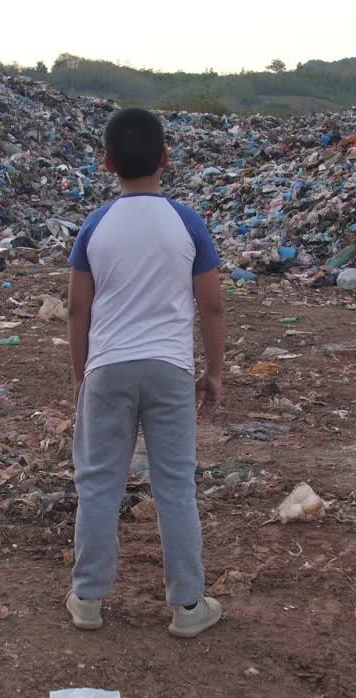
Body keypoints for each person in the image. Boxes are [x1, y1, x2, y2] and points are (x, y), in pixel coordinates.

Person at [65, 108, 226, 639]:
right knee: (176, 486)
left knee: (98, 484)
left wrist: (80, 375)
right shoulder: (188, 222)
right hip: (170, 369)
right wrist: (215, 372)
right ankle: (187, 606)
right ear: (165, 158)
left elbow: (76, 311)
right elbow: (213, 308)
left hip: (107, 367)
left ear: (107, 162)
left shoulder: (95, 225)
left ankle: (88, 599)